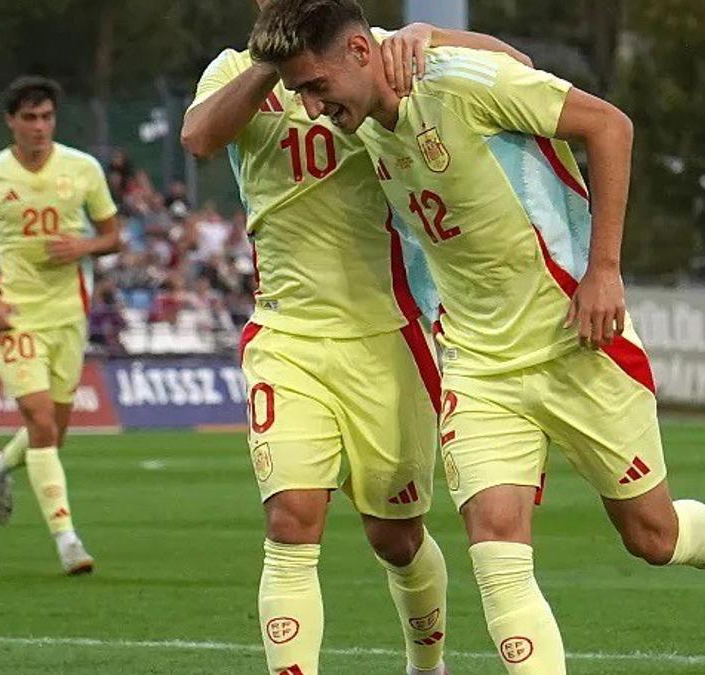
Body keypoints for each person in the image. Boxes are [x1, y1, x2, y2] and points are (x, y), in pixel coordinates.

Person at [249, 2, 705, 672]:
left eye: (314, 88)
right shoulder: (365, 120)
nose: (308, 108)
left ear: (360, 54)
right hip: (479, 363)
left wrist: (605, 271)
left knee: (651, 535)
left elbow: (608, 125)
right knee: (497, 549)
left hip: (576, 339)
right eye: (298, 93)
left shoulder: (456, 84)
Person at [182, 4, 534, 674]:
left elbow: (511, 64)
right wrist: (272, 60)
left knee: (396, 537)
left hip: (387, 336)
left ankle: (427, 665)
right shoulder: (236, 71)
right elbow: (198, 138)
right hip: (287, 332)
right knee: (291, 519)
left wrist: (432, 36)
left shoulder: (369, 55)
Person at [0, 76, 123, 575]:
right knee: (39, 421)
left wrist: (81, 247)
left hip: (68, 316)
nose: (40, 127)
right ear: (11, 121)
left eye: (47, 117)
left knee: (52, 434)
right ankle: (68, 541)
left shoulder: (82, 168)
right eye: (30, 118)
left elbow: (112, 235)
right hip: (16, 317)